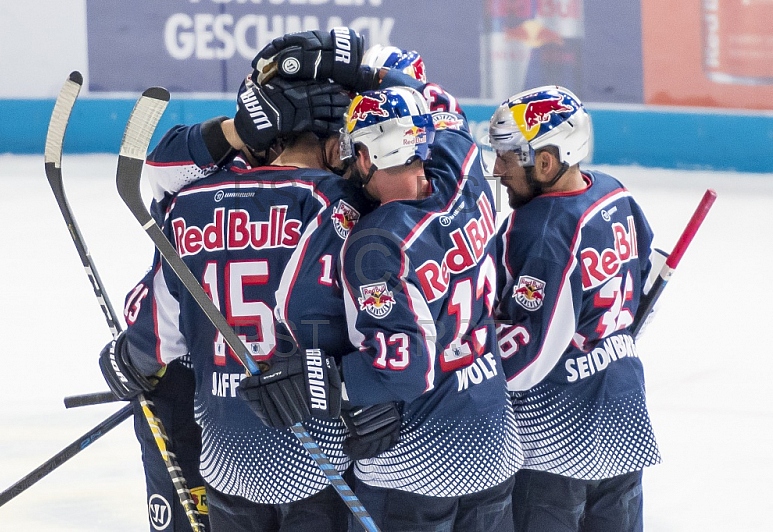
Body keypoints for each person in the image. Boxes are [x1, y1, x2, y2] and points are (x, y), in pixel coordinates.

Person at [241, 38, 525, 527]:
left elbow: (404, 368)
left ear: (366, 156)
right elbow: (435, 101)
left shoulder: (375, 245)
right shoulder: (463, 168)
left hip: (419, 461)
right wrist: (366, 75)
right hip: (493, 436)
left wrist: (316, 381)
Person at [98, 38, 376, 529]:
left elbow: (161, 323)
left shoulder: (191, 201)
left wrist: (132, 357)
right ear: (336, 139)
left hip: (228, 457)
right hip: (318, 454)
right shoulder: (343, 204)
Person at [484, 85, 662, 531]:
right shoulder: (613, 193)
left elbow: (527, 359)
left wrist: (466, 378)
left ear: (546, 162)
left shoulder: (538, 231)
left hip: (554, 441)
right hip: (623, 416)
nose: (497, 169)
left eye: (506, 156)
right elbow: (643, 271)